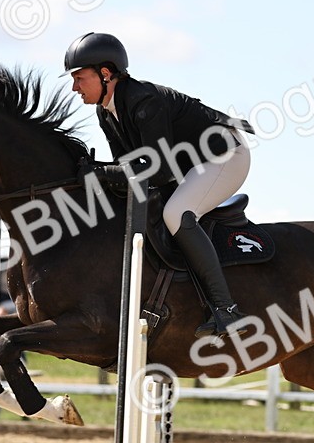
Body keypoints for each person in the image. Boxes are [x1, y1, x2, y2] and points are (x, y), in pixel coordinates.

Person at [64, 31, 255, 338]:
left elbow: (158, 171)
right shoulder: (106, 113)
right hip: (189, 165)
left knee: (177, 213)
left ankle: (227, 310)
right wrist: (100, 175)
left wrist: (102, 173)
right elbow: (130, 171)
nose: (74, 87)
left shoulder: (145, 101)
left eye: (79, 78)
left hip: (224, 155)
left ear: (105, 73)